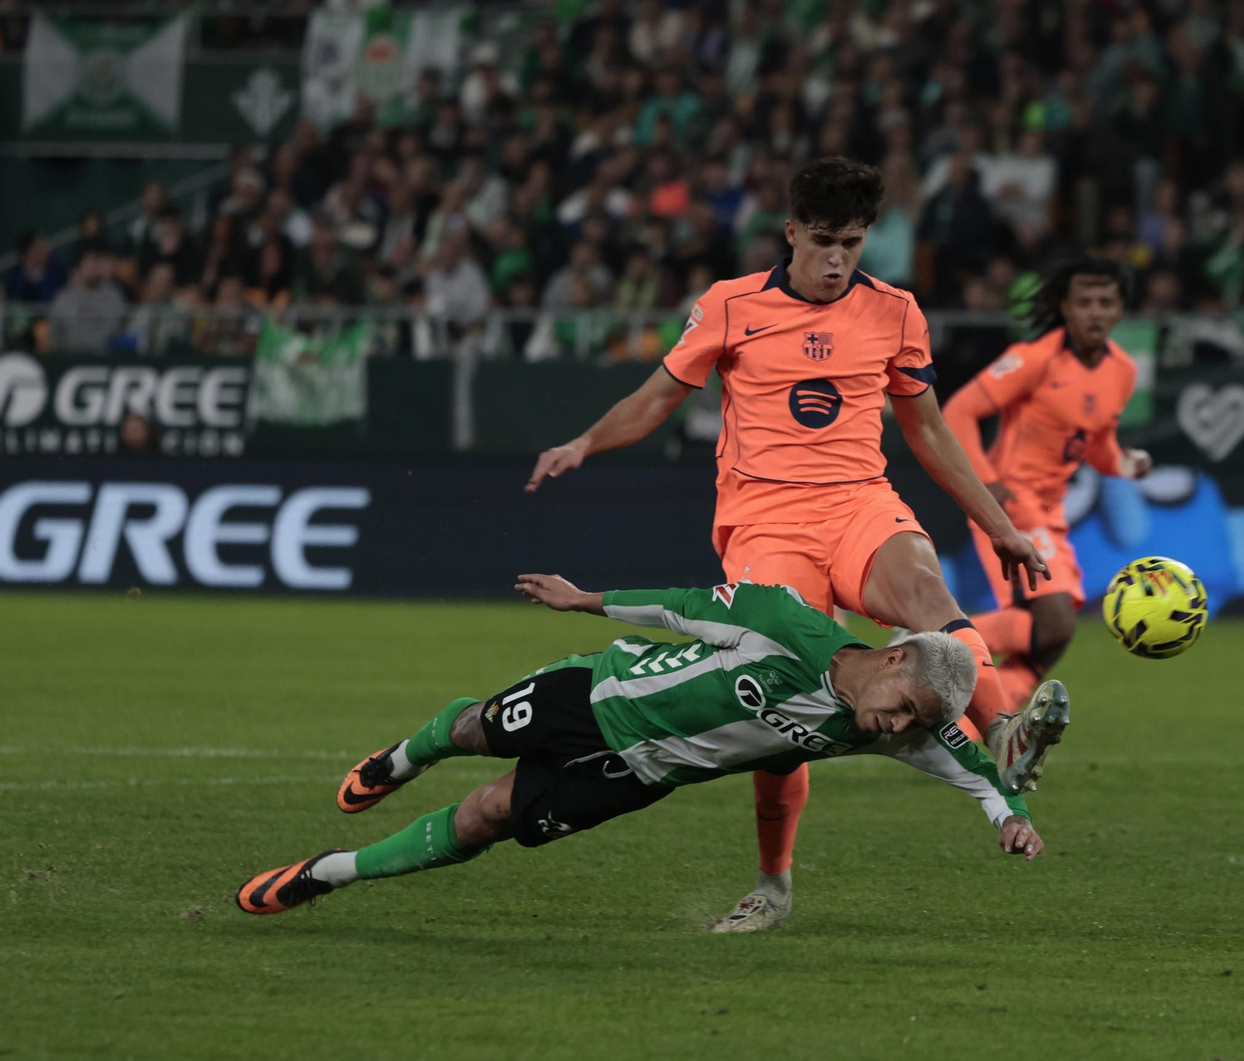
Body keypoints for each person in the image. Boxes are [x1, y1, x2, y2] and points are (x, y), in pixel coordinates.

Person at [525, 157, 1065, 933]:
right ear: (791, 234)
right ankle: (772, 884)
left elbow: (929, 431)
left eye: (852, 242)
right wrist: (584, 443)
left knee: (929, 594)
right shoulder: (730, 305)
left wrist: (997, 524)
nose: (837, 258)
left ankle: (1005, 729)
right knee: (785, 702)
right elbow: (656, 398)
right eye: (822, 241)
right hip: (765, 520)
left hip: (858, 504)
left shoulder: (896, 312)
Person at [236, 575, 1044, 917]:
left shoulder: (896, 724)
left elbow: (978, 769)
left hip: (636, 775)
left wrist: (1009, 817)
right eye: (903, 710)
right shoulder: (785, 623)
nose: (899, 728)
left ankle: (328, 871)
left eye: (913, 723)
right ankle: (402, 759)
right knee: (471, 728)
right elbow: (680, 605)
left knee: (487, 817)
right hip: (599, 694)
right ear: (894, 660)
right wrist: (583, 600)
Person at [941, 257, 1153, 711]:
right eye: (1084, 302)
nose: (1095, 312)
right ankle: (928, 643)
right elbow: (958, 411)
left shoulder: (1122, 370)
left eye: (1105, 302)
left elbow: (1097, 446)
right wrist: (987, 483)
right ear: (1065, 307)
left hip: (1050, 510)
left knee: (1048, 638)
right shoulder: (1034, 358)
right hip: (1011, 503)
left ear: (1120, 309)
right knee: (1055, 624)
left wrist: (1127, 464)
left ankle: (989, 718)